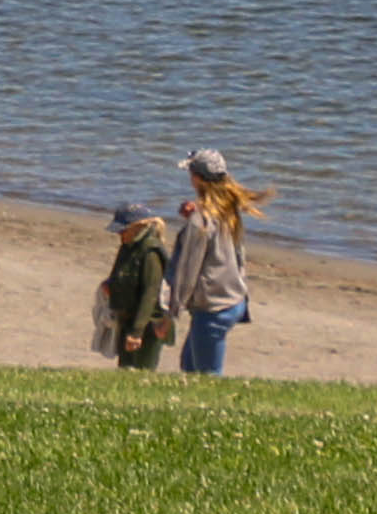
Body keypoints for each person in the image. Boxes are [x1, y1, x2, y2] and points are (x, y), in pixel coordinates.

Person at [167, 148, 264, 374]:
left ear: (198, 178)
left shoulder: (200, 221)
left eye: (191, 174)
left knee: (206, 376)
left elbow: (187, 271)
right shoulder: (228, 209)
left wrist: (172, 312)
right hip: (235, 299)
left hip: (213, 307)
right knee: (188, 365)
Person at [98, 202, 175, 370]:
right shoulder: (128, 246)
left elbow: (151, 293)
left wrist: (136, 332)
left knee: (141, 372)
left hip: (149, 324)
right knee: (125, 369)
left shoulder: (151, 252)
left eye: (123, 230)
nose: (120, 234)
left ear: (137, 227)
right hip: (127, 318)